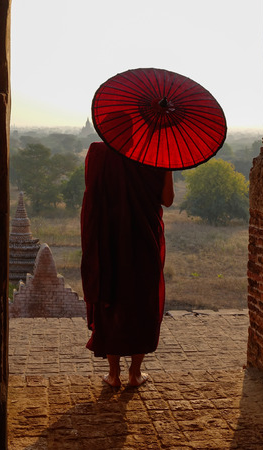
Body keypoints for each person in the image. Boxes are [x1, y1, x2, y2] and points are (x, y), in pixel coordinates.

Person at [81, 140, 174, 387]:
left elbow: (93, 193)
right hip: (144, 242)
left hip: (108, 240)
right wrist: (168, 167)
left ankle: (113, 375)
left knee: (111, 301)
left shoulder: (98, 152)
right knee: (141, 303)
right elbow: (167, 200)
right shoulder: (157, 154)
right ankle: (135, 373)